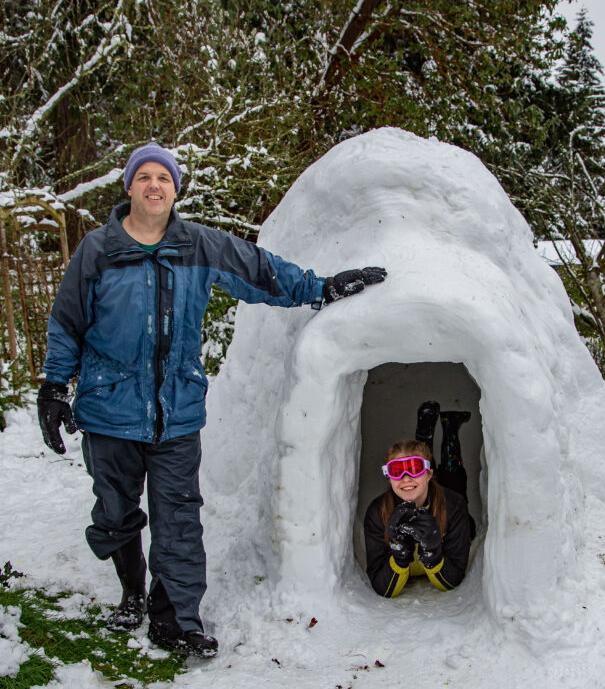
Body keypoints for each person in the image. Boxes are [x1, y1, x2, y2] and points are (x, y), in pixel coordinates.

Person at [37, 142, 386, 658]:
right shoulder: (98, 251)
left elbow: (260, 270)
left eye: (165, 178)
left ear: (175, 190)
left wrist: (321, 288)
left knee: (178, 518)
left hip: (176, 413)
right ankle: (133, 591)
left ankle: (175, 619)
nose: (155, 185)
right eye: (145, 177)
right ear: (129, 186)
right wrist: (53, 386)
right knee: (115, 513)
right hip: (109, 410)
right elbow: (67, 323)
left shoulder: (197, 246)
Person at [363, 404, 472, 598]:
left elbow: (454, 576)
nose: (405, 478)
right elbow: (382, 586)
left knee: (452, 475)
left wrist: (433, 551)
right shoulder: (377, 513)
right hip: (431, 490)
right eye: (397, 471)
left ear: (429, 474)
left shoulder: (453, 505)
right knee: (448, 472)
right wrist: (399, 556)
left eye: (415, 468)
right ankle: (429, 433)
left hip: (446, 492)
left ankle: (442, 429)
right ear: (388, 477)